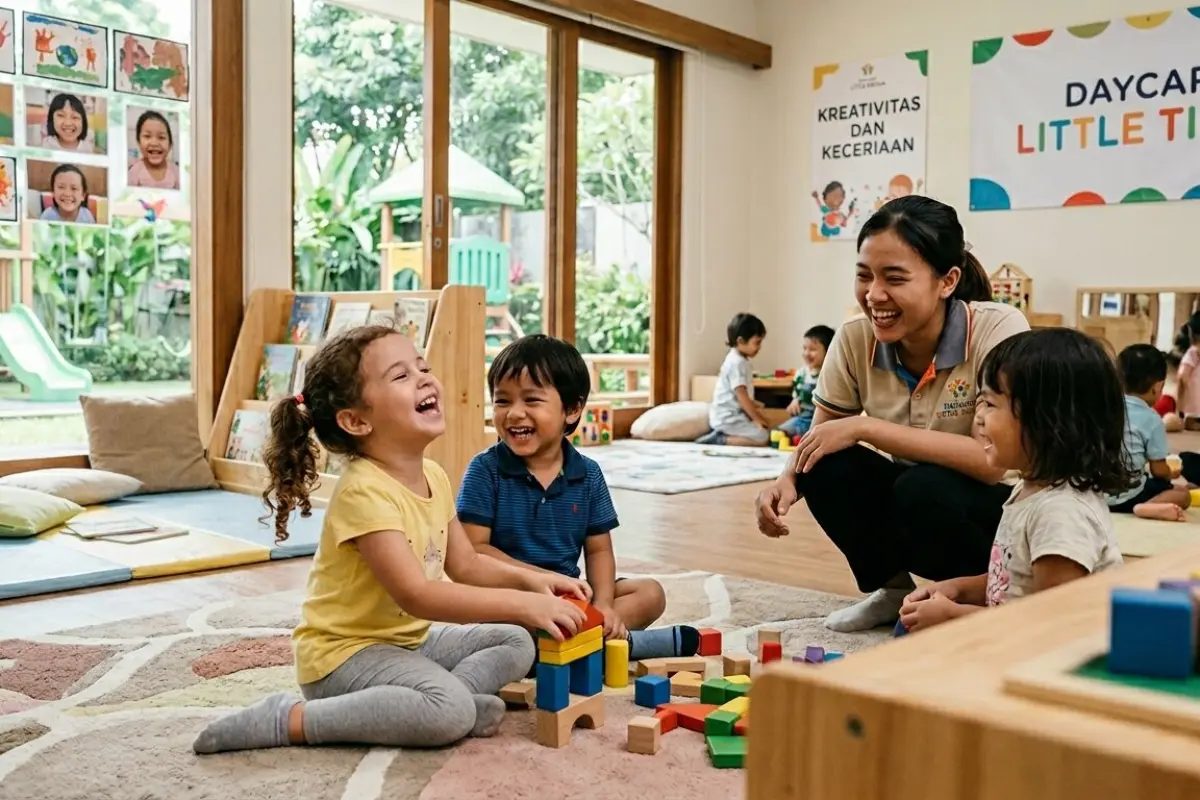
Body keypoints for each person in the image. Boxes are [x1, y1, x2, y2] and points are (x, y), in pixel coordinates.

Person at [193, 326, 590, 754]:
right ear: (356, 420)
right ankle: (288, 718)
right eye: (401, 376)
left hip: (406, 642)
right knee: (449, 712)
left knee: (514, 640)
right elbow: (418, 595)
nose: (424, 378)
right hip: (341, 659)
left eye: (423, 367)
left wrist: (536, 583)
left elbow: (467, 565)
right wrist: (524, 604)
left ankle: (444, 700)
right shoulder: (364, 490)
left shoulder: (434, 476)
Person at [755, 195, 1029, 632]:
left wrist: (867, 427)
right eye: (864, 276)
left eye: (895, 278)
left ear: (947, 280)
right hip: (915, 499)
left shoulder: (999, 330)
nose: (874, 294)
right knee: (824, 465)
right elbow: (822, 437)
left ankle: (973, 597)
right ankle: (895, 590)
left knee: (925, 486)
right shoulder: (854, 338)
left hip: (992, 518)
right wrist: (787, 478)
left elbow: (993, 463)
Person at [459, 335, 699, 661]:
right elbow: (475, 550)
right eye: (502, 401)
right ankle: (615, 647)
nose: (514, 413)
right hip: (510, 598)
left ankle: (578, 643)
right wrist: (540, 581)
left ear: (571, 410)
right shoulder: (484, 470)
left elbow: (598, 549)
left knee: (650, 593)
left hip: (569, 595)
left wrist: (602, 606)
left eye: (531, 400)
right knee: (504, 632)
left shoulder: (588, 474)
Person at [897, 329, 1127, 632]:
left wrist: (954, 617)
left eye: (990, 405)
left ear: (1047, 421)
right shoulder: (1030, 488)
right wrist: (958, 589)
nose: (978, 418)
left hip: (1046, 659)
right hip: (1013, 641)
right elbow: (1012, 577)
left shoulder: (1061, 513)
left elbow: (1049, 624)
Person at [1107, 344, 1191, 521]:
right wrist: (1171, 473)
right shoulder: (1152, 420)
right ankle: (1147, 506)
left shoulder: (1103, 407)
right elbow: (1158, 469)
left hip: (1096, 495)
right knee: (1183, 494)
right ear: (1157, 387)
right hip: (1130, 496)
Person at [697, 313, 771, 446]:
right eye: (757, 342)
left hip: (733, 415)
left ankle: (723, 435)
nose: (760, 347)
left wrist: (754, 406)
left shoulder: (738, 360)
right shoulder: (737, 363)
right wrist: (757, 418)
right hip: (727, 417)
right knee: (763, 437)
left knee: (763, 428)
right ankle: (721, 440)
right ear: (741, 341)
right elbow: (741, 396)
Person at [779, 324, 834, 440]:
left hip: (819, 423)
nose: (806, 353)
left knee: (814, 437)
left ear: (829, 351)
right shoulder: (802, 373)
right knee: (779, 433)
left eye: (813, 349)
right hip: (801, 419)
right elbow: (797, 392)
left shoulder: (828, 374)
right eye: (804, 348)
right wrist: (795, 400)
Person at [126, 109, 180, 189]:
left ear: (170, 145)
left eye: (161, 137)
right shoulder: (134, 172)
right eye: (147, 136)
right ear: (138, 142)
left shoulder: (176, 172)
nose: (154, 143)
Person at [1176, 312, 1200, 431]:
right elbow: (1182, 377)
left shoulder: (1193, 353)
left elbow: (1182, 377)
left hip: (1193, 409)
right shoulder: (1194, 354)